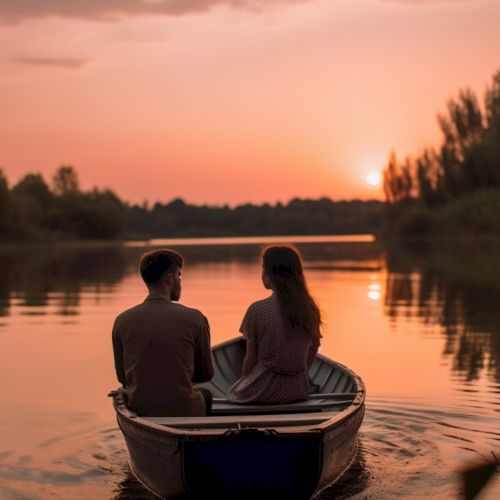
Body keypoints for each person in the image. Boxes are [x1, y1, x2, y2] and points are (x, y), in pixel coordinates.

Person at [112, 249, 214, 417]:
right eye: (179, 276)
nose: (180, 282)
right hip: (186, 410)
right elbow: (206, 374)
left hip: (140, 410)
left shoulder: (122, 321)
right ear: (170, 279)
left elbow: (123, 377)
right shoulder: (195, 318)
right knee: (206, 394)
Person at [227, 246, 322, 404]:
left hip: (262, 392)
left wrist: (245, 381)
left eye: (263, 268)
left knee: (233, 392)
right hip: (298, 391)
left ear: (270, 274)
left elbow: (250, 358)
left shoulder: (257, 310)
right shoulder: (310, 308)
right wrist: (300, 374)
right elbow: (313, 348)